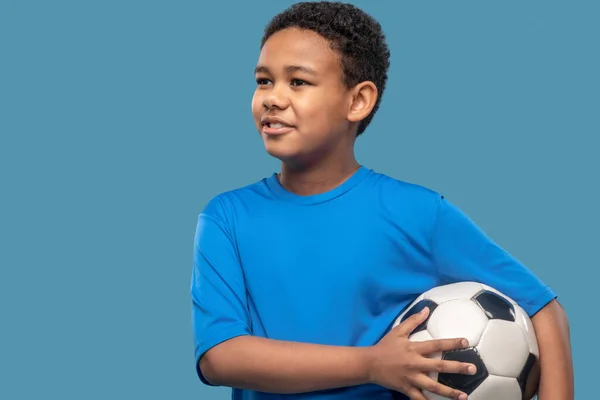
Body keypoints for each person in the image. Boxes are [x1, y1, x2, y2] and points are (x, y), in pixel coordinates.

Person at [190, 2, 573, 399]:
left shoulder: (417, 214)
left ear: (358, 102)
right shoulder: (227, 217)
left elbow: (546, 311)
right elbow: (220, 357)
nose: (272, 98)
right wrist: (372, 364)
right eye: (264, 80)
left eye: (298, 82)